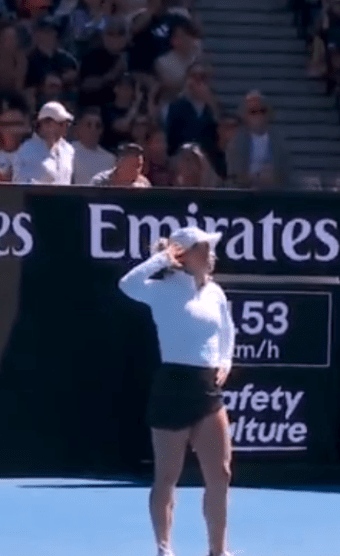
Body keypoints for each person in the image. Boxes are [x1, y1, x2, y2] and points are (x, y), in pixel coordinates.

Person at [117, 226, 235, 556]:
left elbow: (227, 330)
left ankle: (218, 551)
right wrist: (161, 259)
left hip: (207, 389)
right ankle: (164, 549)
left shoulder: (215, 293)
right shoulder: (160, 288)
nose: (212, 256)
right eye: (205, 249)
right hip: (172, 387)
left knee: (221, 473)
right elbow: (126, 285)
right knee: (167, 475)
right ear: (184, 255)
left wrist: (224, 359)